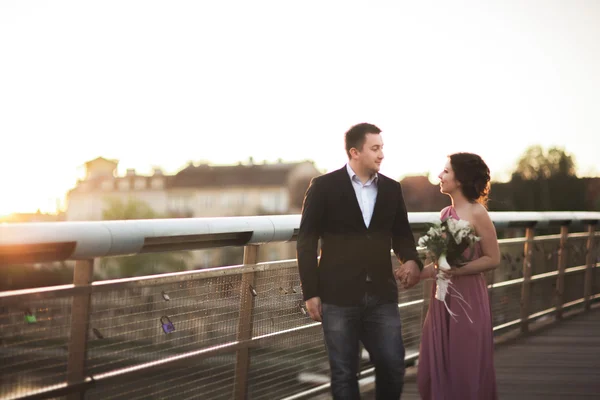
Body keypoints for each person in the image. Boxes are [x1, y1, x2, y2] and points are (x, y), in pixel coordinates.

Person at [296, 122, 422, 400]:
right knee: (343, 372)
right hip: (337, 295)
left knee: (392, 363)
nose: (381, 155)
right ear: (355, 152)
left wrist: (412, 260)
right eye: (375, 148)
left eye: (382, 148)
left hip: (381, 294)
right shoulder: (323, 187)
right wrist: (311, 292)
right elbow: (306, 242)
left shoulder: (391, 189)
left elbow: (402, 234)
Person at [417, 152, 500, 400]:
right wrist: (414, 275)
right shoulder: (445, 213)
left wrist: (457, 270)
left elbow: (493, 258)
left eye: (446, 172)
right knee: (432, 364)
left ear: (460, 179)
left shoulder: (477, 213)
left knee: (465, 364)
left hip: (468, 299)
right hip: (441, 299)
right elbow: (441, 262)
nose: (440, 176)